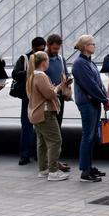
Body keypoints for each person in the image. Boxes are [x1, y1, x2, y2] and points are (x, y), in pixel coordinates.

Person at [72, 35, 109, 183]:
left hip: (94, 102)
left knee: (92, 136)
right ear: (84, 46)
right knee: (88, 136)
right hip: (87, 103)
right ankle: (85, 171)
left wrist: (105, 99)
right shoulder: (79, 63)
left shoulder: (89, 63)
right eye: (92, 44)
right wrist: (104, 99)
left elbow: (98, 84)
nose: (95, 46)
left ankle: (89, 167)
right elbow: (90, 85)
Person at [27, 51, 70, 181]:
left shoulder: (32, 75)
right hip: (45, 113)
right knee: (55, 141)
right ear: (43, 62)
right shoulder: (41, 76)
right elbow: (49, 94)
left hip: (36, 113)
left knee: (42, 143)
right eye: (48, 61)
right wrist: (60, 87)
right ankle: (53, 171)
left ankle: (43, 169)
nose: (49, 63)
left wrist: (57, 87)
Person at [10, 37, 47, 166]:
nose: (40, 52)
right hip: (28, 97)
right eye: (38, 49)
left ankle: (37, 154)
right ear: (32, 48)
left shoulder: (45, 58)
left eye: (42, 49)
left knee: (39, 127)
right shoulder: (24, 59)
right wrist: (29, 71)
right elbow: (15, 74)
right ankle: (25, 154)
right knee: (27, 126)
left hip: (41, 97)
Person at [44, 34, 72, 172]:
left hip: (59, 97)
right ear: (48, 45)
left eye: (58, 48)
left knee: (57, 128)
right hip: (48, 98)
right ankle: (50, 162)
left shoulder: (61, 59)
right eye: (54, 48)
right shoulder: (42, 59)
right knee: (51, 131)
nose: (56, 51)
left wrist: (68, 79)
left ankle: (54, 160)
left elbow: (65, 73)